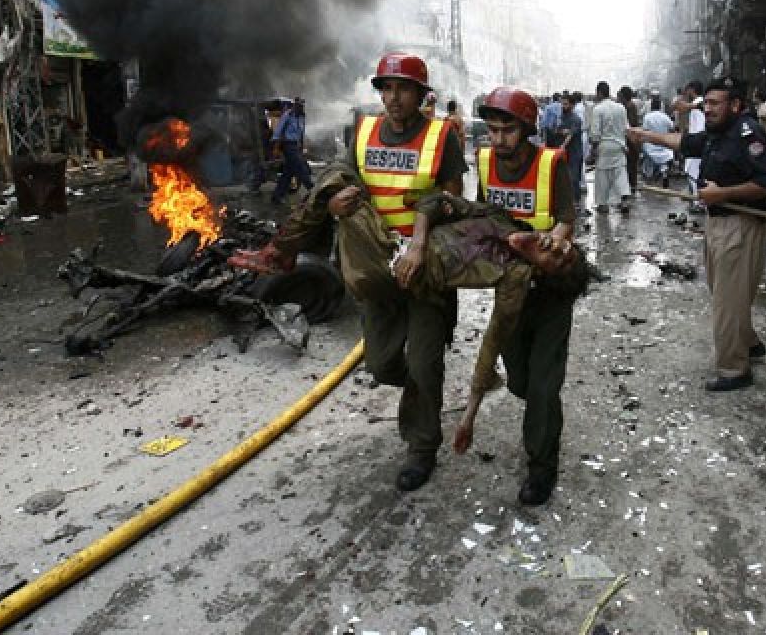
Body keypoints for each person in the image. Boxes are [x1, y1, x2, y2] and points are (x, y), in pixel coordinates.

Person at [234, 52, 466, 492]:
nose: (394, 98)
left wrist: (421, 242)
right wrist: (334, 203)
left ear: (421, 94)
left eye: (403, 89)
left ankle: (422, 446)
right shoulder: (363, 133)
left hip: (426, 265)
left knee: (423, 361)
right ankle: (420, 390)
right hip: (377, 267)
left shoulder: (442, 137)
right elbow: (343, 177)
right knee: (381, 365)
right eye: (387, 88)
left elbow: (453, 203)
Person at [628, 78, 766, 391]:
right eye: (706, 103)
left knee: (727, 299)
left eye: (715, 104)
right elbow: (684, 143)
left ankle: (734, 369)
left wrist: (723, 194)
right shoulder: (717, 133)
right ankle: (749, 343)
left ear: (735, 105)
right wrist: (645, 136)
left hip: (740, 224)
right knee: (723, 290)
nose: (707, 109)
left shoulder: (747, 133)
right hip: (718, 222)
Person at [475, 86, 578, 504]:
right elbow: (483, 217)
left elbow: (567, 219)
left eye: (506, 131)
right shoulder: (483, 162)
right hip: (509, 291)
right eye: (492, 130)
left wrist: (550, 245)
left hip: (549, 289)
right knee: (519, 380)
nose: (498, 140)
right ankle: (542, 416)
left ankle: (541, 468)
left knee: (542, 386)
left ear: (526, 130)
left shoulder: (551, 163)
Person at [589, 81, 631, 213]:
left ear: (600, 93)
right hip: (619, 145)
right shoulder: (621, 108)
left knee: (602, 175)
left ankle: (603, 204)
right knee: (620, 172)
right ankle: (624, 198)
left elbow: (595, 133)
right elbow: (626, 128)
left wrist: (593, 150)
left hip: (604, 145)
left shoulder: (598, 109)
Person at [269, 97, 313, 205]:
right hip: (287, 145)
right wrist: (276, 148)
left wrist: (302, 147)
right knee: (301, 168)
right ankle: (313, 190)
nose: (299, 107)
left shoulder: (302, 117)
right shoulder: (287, 115)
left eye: (301, 106)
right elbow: (279, 131)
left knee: (288, 173)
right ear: (294, 105)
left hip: (295, 146)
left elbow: (301, 133)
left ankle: (276, 197)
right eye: (297, 105)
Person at [640, 95, 675, 186]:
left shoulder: (647, 117)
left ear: (651, 106)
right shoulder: (665, 117)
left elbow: (644, 131)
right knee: (664, 161)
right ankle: (664, 173)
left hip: (650, 145)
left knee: (648, 160)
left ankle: (649, 178)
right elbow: (672, 129)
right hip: (663, 144)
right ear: (660, 106)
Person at [557, 92, 584, 205]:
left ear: (572, 105)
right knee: (563, 178)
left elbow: (570, 135)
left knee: (574, 178)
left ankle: (576, 201)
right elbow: (557, 130)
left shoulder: (576, 119)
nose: (563, 106)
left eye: (566, 104)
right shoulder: (561, 117)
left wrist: (562, 146)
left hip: (574, 152)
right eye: (562, 104)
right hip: (564, 152)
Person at [622, 86, 642, 193]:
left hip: (631, 139)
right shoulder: (629, 106)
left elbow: (630, 124)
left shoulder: (629, 107)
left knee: (631, 164)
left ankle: (631, 186)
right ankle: (631, 186)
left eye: (620, 95)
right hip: (632, 138)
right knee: (631, 164)